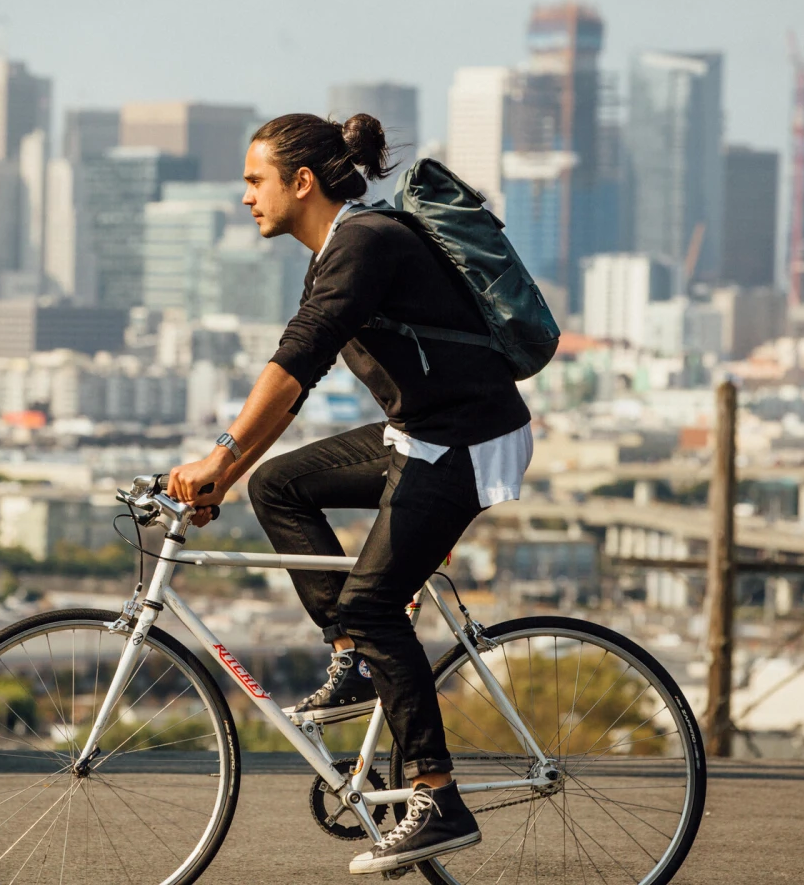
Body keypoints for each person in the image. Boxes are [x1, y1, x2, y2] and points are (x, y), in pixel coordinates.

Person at [166, 112, 533, 875]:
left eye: (255, 181)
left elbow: (296, 362)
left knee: (372, 606)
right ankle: (355, 661)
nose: (246, 197)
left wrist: (218, 456)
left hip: (467, 438)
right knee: (280, 485)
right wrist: (228, 478)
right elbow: (298, 386)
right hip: (421, 432)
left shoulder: (365, 244)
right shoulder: (341, 248)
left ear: (302, 182)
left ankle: (436, 796)